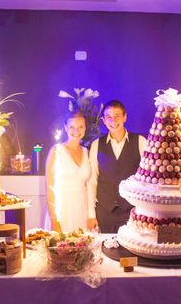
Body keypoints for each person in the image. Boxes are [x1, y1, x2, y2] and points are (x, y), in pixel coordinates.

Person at [88, 100, 146, 234]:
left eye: (117, 115)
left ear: (125, 117)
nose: (113, 120)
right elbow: (92, 182)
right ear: (103, 120)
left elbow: (147, 180)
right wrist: (91, 214)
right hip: (105, 212)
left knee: (131, 252)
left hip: (132, 211)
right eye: (108, 116)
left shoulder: (140, 142)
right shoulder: (97, 145)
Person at [45, 110, 93, 233]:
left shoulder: (86, 152)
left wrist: (90, 216)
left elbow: (89, 187)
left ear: (85, 128)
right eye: (72, 127)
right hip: (62, 212)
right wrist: (55, 221)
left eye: (80, 127)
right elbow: (50, 188)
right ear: (65, 127)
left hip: (81, 210)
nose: (76, 131)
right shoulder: (57, 151)